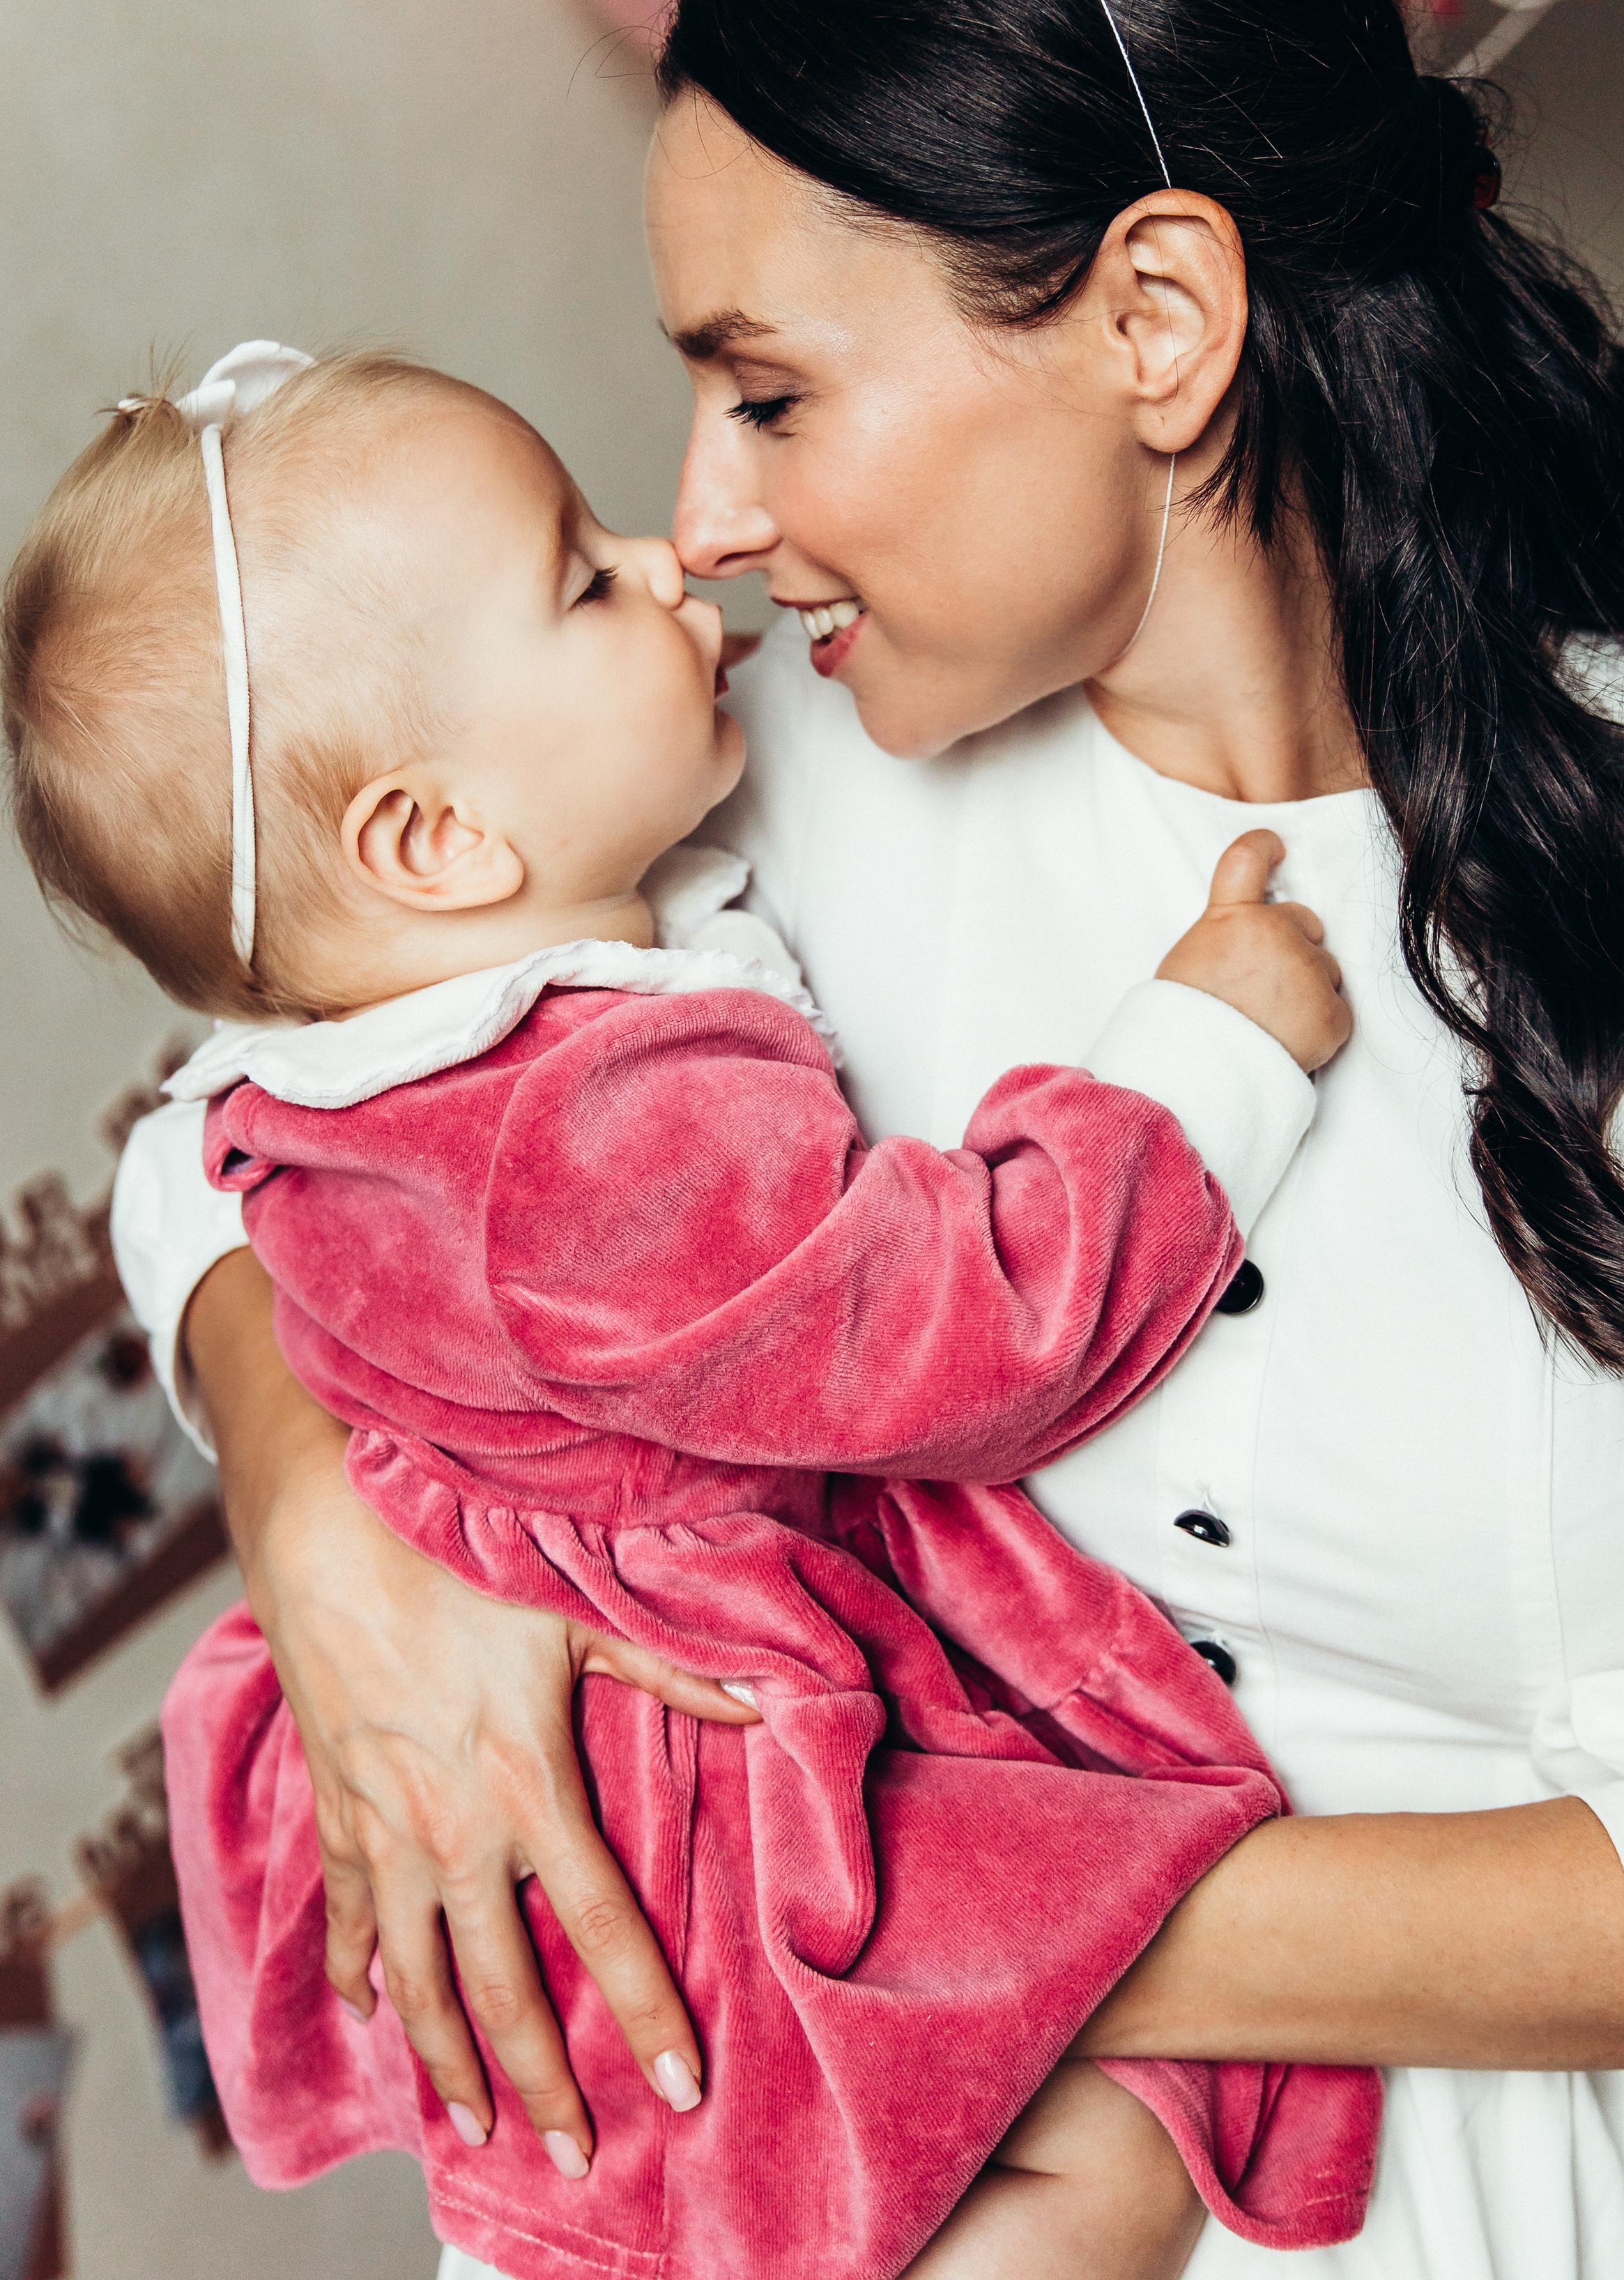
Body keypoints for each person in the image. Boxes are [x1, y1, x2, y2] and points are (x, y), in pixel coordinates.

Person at [94, 0, 1624, 2280]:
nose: (709, 517)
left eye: (768, 394)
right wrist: (328, 1528)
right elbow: (249, 1118)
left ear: (1153, 323)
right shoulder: (755, 794)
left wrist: (898, 1926)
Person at [3, 343, 1377, 2279]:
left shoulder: (356, 1062)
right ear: (436, 842)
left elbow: (202, 1152)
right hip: (676, 1779)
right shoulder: (584, 1127)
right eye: (582, 574)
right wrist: (1210, 1057)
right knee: (1086, 2168)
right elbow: (957, 1329)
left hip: (584, 1792)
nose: (675, 557)